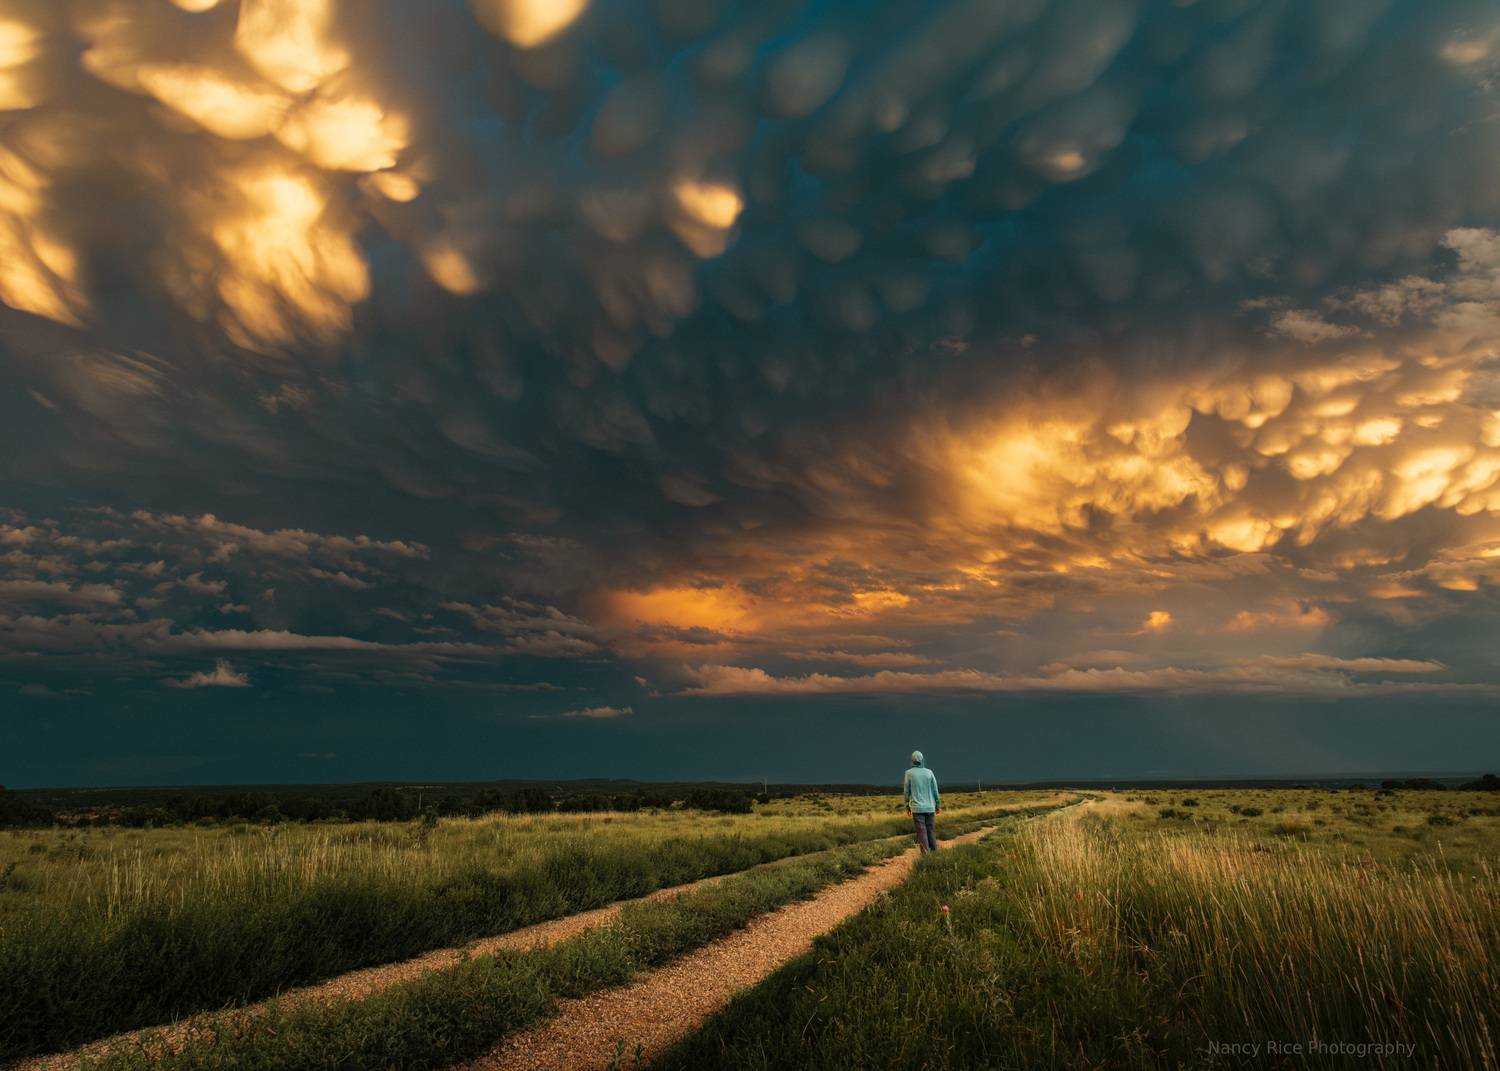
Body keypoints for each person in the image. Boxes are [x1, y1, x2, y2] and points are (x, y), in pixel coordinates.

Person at [903, 750, 941, 852]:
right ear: (922, 760)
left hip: (917, 808)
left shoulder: (909, 773)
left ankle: (926, 857)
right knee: (931, 831)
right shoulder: (929, 772)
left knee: (922, 832)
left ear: (912, 761)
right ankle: (935, 854)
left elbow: (906, 791)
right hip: (930, 807)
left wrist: (907, 806)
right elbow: (935, 790)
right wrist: (937, 805)